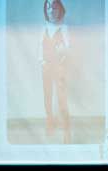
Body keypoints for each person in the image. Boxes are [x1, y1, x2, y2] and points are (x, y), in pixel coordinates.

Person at [40, 0, 72, 143]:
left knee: (61, 99)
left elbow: (69, 48)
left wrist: (62, 51)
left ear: (60, 9)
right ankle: (50, 123)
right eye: (48, 7)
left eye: (54, 7)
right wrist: (42, 61)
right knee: (47, 97)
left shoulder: (64, 28)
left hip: (60, 68)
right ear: (45, 11)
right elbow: (39, 48)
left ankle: (66, 130)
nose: (51, 10)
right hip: (46, 68)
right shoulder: (44, 28)